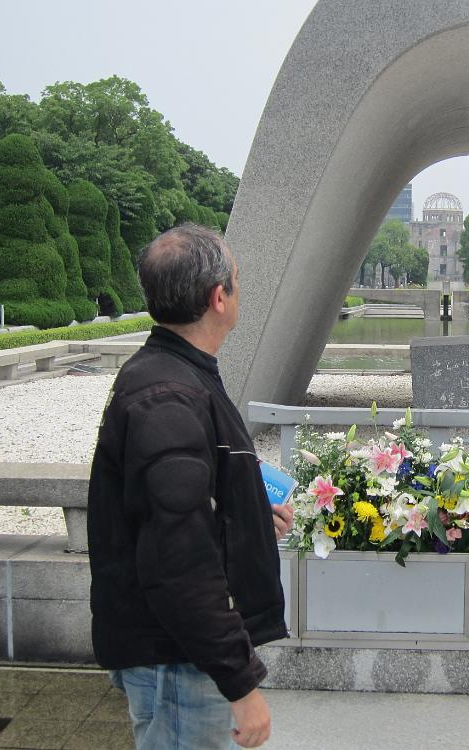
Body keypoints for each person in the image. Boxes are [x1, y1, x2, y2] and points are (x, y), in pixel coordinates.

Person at [87, 223, 293, 749]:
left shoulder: (178, 376)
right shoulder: (168, 397)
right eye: (238, 282)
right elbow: (176, 557)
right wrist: (240, 681)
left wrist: (247, 517)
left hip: (178, 650)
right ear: (217, 296)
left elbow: (176, 512)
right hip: (177, 661)